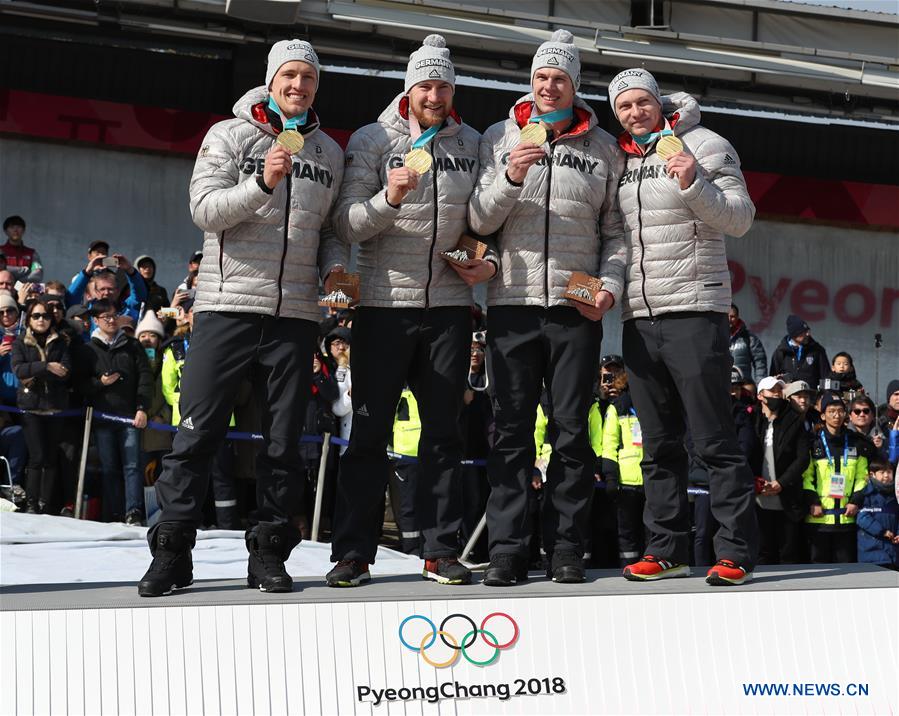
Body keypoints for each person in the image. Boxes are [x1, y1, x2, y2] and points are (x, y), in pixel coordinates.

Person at [139, 39, 345, 597]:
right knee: (197, 433)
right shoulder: (228, 135)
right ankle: (172, 551)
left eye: (308, 76)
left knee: (283, 442)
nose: (298, 85)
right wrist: (262, 183)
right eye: (289, 75)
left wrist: (334, 269)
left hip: (295, 313)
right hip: (226, 305)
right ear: (271, 80)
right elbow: (204, 210)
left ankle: (270, 552)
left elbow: (330, 231)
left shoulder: (329, 151)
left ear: (316, 85)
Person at [327, 35, 486, 588]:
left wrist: (483, 260)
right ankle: (353, 553)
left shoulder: (472, 142)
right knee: (369, 435)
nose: (434, 96)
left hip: (449, 308)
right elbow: (346, 223)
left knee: (444, 435)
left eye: (443, 87)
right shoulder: (372, 139)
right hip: (382, 305)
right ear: (408, 89)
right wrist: (389, 198)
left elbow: (485, 222)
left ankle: (441, 551)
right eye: (425, 86)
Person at [469, 30, 626, 586]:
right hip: (511, 304)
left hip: (574, 309)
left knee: (571, 432)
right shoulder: (498, 136)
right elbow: (479, 220)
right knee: (511, 432)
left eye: (559, 78)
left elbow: (617, 232)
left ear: (575, 85)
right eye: (540, 77)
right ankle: (508, 550)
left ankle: (566, 548)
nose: (548, 86)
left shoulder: (604, 148)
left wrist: (609, 286)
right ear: (530, 82)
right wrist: (512, 174)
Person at [608, 67, 758, 585]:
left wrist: (694, 181)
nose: (634, 112)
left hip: (695, 309)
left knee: (714, 439)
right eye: (624, 106)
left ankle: (735, 551)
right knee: (658, 445)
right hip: (638, 315)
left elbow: (740, 218)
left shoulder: (706, 144)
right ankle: (666, 549)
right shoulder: (622, 158)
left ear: (659, 102)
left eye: (642, 102)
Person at [80, 299, 153, 524]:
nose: (111, 321)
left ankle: (134, 511)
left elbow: (145, 378)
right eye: (106, 317)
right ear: (96, 320)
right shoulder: (89, 349)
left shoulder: (132, 345)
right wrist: (100, 383)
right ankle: (114, 512)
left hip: (130, 416)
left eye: (114, 316)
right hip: (103, 418)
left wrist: (142, 407)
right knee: (109, 468)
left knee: (132, 466)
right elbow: (81, 384)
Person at [10, 297, 71, 512]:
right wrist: (46, 366)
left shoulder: (61, 341)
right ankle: (32, 502)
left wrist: (35, 372)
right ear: (29, 319)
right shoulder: (20, 342)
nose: (41, 320)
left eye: (45, 316)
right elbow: (19, 369)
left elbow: (65, 372)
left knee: (51, 457)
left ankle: (46, 503)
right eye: (36, 316)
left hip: (54, 406)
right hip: (31, 407)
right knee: (36, 456)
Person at [803, 394, 868, 564]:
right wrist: (813, 502)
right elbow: (806, 476)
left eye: (840, 411)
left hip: (847, 517)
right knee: (819, 570)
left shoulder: (855, 442)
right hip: (819, 518)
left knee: (846, 570)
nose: (836, 415)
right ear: (823, 415)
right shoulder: (813, 443)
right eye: (831, 411)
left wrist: (855, 501)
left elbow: (862, 476)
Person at [753, 376, 811, 564]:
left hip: (787, 498)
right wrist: (754, 481)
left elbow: (803, 458)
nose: (777, 394)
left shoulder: (794, 421)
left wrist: (781, 482)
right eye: (772, 391)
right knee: (763, 553)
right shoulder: (752, 420)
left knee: (788, 553)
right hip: (758, 498)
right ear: (761, 395)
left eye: (780, 390)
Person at [601, 371, 646, 567]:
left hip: (651, 477)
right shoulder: (617, 408)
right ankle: (628, 567)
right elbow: (609, 444)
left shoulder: (651, 406)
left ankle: (651, 565)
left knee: (651, 530)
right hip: (626, 480)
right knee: (627, 532)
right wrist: (611, 477)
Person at [856, 458, 898, 570]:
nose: (886, 475)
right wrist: (882, 531)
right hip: (871, 552)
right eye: (882, 472)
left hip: (892, 552)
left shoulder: (895, 495)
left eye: (889, 472)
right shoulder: (866, 494)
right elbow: (862, 518)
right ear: (872, 474)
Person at [769, 314, 828, 386]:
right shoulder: (780, 352)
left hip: (812, 392)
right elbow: (772, 380)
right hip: (788, 392)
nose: (808, 334)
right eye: (804, 332)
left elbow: (825, 376)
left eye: (808, 331)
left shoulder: (818, 350)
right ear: (794, 334)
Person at [728, 303, 767, 384]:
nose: (729, 319)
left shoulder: (749, 338)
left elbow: (760, 364)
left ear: (737, 317)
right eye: (726, 316)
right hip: (721, 386)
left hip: (743, 386)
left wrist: (760, 386)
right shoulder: (715, 338)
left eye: (732, 316)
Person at [1, 216, 43, 283]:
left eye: (18, 227)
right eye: (12, 227)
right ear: (5, 231)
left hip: (24, 288)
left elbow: (38, 275)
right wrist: (24, 270)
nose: (15, 230)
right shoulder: (0, 250)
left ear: (23, 230)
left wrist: (17, 283)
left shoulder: (32, 253)